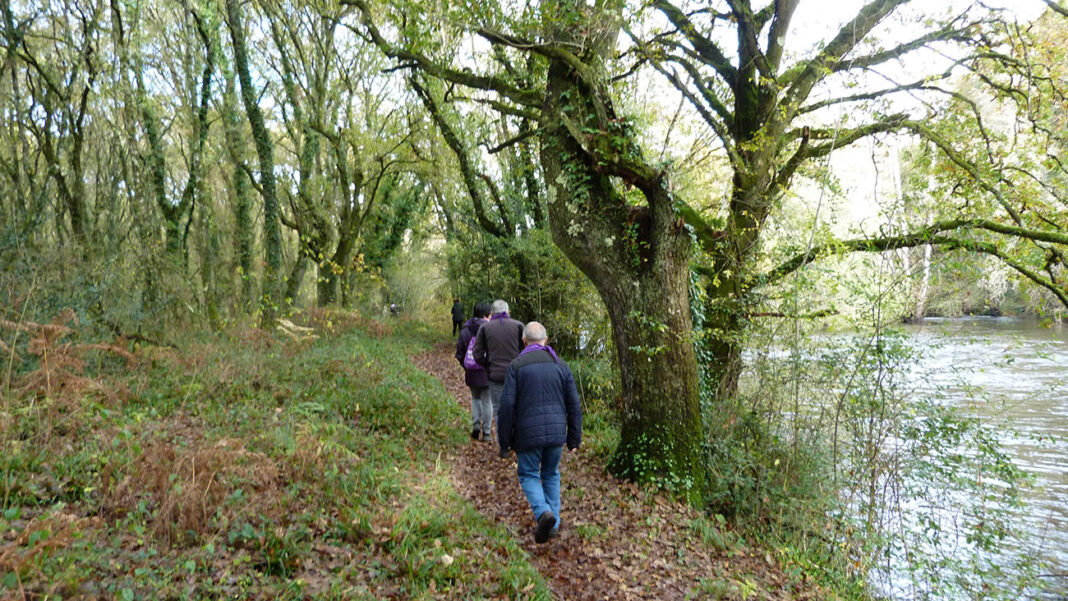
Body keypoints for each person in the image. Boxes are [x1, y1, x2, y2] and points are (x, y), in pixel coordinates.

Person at [497, 321, 582, 544]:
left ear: (524, 341)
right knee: (551, 474)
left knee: (528, 474)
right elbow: (574, 404)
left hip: (526, 435)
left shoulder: (516, 366)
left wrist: (504, 442)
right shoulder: (561, 366)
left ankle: (544, 513)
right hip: (555, 434)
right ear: (546, 340)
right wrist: (574, 438)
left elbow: (506, 406)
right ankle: (552, 523)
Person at [471, 299, 524, 431]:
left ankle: (504, 446)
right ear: (508, 312)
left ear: (492, 312)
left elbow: (476, 354)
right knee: (517, 408)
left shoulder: (485, 328)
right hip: (516, 374)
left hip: (495, 376)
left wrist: (488, 366)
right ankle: (517, 442)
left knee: (499, 410)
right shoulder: (519, 326)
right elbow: (526, 350)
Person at [455, 301, 493, 442]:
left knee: (475, 398)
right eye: (490, 315)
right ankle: (487, 433)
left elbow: (459, 352)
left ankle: (476, 424)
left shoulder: (465, 330)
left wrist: (467, 366)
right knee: (487, 401)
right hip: (487, 371)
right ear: (485, 315)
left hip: (471, 371)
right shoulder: (490, 330)